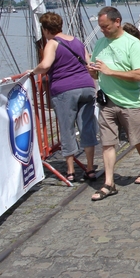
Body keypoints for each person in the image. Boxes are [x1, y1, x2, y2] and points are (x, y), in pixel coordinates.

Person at [88, 6, 140, 201]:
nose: (103, 30)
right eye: (100, 27)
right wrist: (93, 71)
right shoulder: (100, 44)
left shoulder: (132, 43)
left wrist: (111, 71)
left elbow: (137, 75)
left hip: (130, 101)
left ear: (117, 22)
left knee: (136, 139)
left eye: (106, 26)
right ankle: (109, 183)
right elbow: (97, 71)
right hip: (107, 101)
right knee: (107, 143)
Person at [30, 12, 98, 182]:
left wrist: (33, 71)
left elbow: (45, 65)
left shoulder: (52, 43)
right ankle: (90, 168)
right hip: (87, 86)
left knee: (67, 129)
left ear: (46, 30)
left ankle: (70, 170)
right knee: (87, 128)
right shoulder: (77, 41)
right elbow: (88, 62)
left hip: (65, 90)